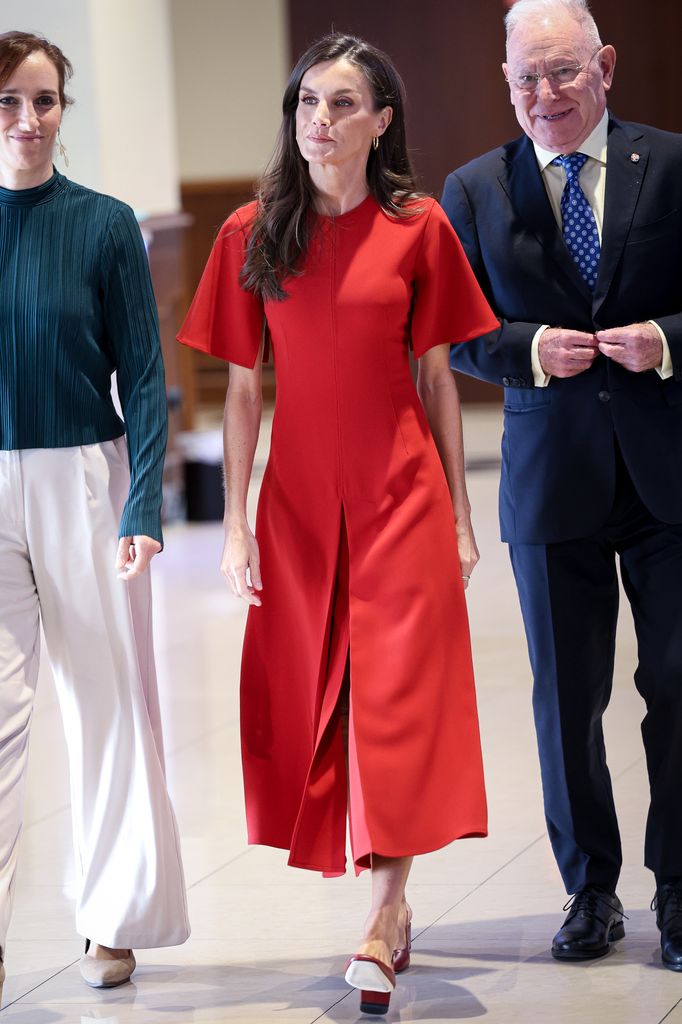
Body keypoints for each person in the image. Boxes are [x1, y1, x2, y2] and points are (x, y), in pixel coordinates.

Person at [179, 32, 496, 1014]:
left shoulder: (420, 227)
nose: (320, 119)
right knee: (329, 698)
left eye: (343, 103)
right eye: (308, 102)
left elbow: (438, 378)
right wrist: (233, 524)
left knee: (396, 698)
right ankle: (384, 906)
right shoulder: (249, 234)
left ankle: (383, 908)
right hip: (301, 506)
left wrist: (459, 513)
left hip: (402, 493)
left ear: (381, 121)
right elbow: (239, 396)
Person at [442, 0, 682, 970]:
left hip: (666, 473)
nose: (544, 96)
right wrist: (529, 349)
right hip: (550, 481)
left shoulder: (669, 164)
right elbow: (451, 331)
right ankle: (590, 889)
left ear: (605, 66)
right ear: (507, 83)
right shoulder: (474, 188)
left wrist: (665, 339)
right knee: (564, 697)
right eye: (526, 79)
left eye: (563, 73)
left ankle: (678, 886)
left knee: (675, 682)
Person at [0, 31, 189, 998]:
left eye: (44, 101)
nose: (28, 121)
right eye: (7, 102)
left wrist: (144, 501)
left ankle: (109, 920)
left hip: (85, 477)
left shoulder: (106, 224)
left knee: (107, 705)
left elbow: (148, 381)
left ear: (64, 111)